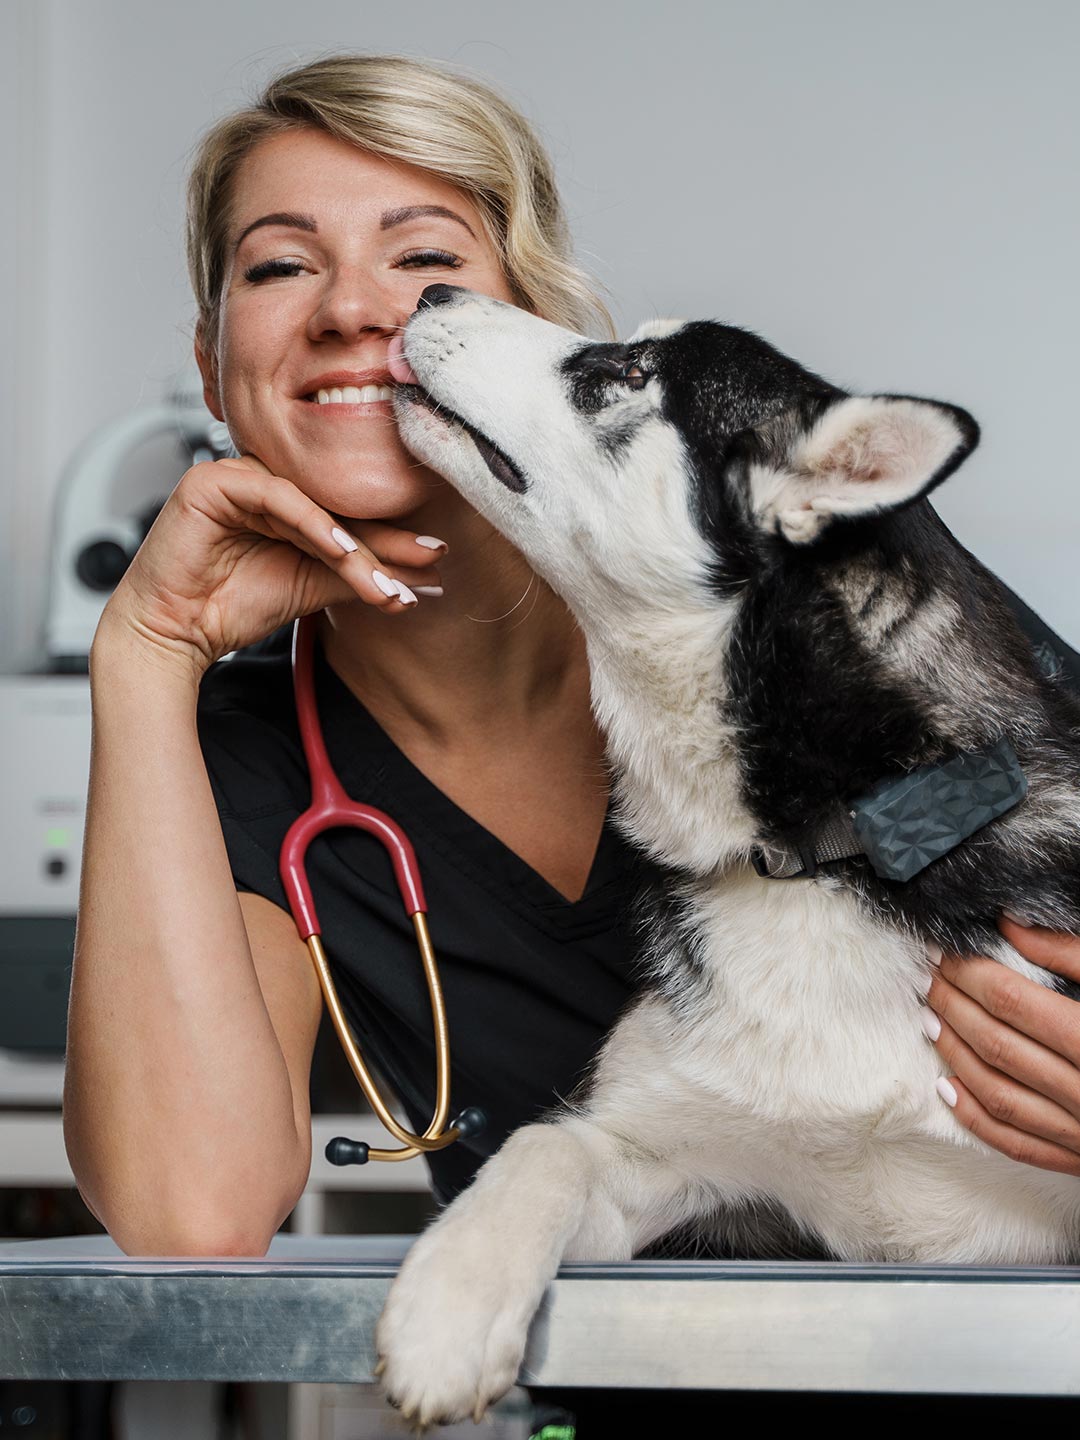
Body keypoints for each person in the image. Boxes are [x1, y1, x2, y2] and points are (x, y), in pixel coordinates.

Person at [63, 49, 1080, 1433]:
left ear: (524, 329)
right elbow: (192, 1218)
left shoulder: (809, 682)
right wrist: (143, 657)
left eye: (423, 256)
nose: (357, 307)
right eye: (278, 267)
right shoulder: (244, 760)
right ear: (212, 361)